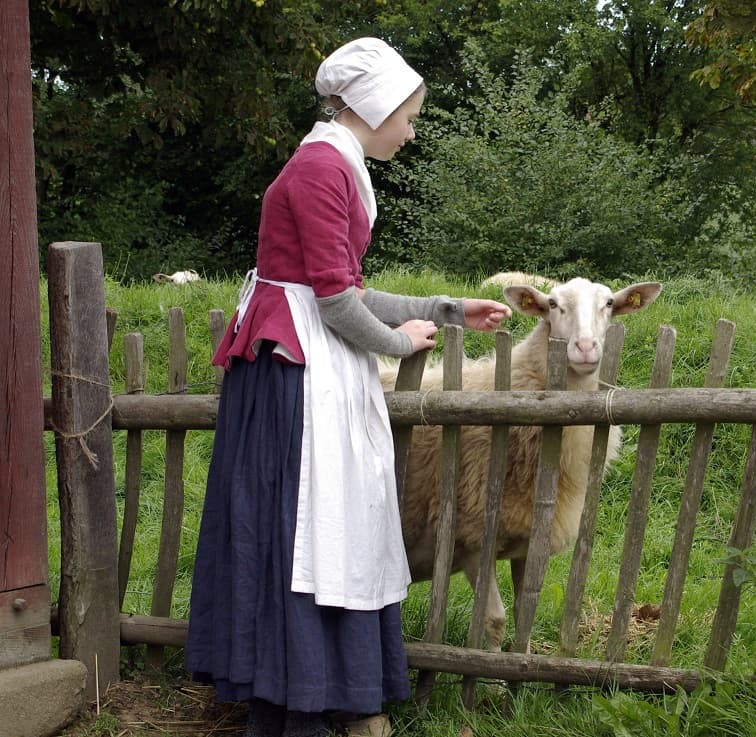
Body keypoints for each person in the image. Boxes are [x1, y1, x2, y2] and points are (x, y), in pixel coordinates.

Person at [184, 37, 511, 737]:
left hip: (312, 366)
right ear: (374, 106)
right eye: (410, 115)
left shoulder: (336, 162)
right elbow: (335, 304)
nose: (412, 130)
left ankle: (321, 691)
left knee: (327, 528)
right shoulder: (320, 169)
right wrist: (400, 343)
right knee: (301, 530)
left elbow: (346, 287)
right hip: (294, 376)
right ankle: (295, 699)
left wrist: (446, 310)